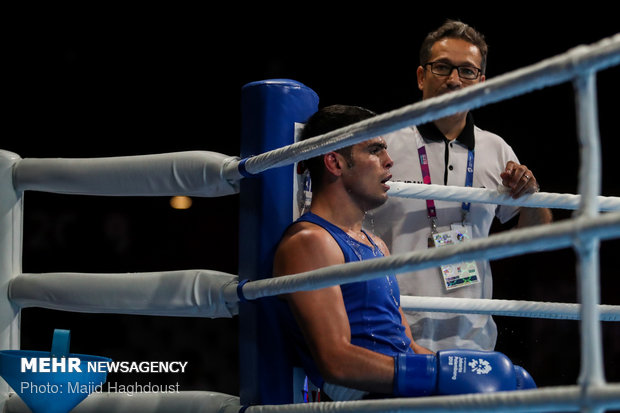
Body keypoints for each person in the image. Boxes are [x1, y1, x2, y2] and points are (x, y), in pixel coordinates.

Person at [273, 104, 537, 401]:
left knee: (513, 391)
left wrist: (446, 378)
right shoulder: (311, 242)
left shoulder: (375, 245)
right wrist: (437, 376)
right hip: (368, 399)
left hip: (402, 389)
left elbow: (408, 346)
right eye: (374, 150)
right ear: (335, 163)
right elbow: (336, 361)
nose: (389, 162)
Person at [367, 20, 553, 353]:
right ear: (422, 76)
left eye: (467, 71)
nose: (454, 80)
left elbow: (537, 238)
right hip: (392, 331)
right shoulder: (384, 143)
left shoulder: (497, 150)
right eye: (442, 68)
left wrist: (531, 194)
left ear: (480, 83)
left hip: (473, 335)